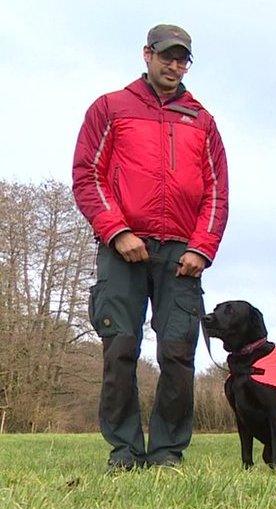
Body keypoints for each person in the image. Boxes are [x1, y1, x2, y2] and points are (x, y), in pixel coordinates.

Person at [72, 24, 229, 471]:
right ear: (147, 54)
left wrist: (201, 247)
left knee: (178, 351)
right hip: (122, 246)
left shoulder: (203, 121)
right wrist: (117, 231)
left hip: (182, 253)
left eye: (183, 60)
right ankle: (124, 449)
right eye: (167, 57)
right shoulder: (110, 109)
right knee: (120, 347)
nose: (174, 66)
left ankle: (167, 452)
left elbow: (218, 193)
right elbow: (87, 175)